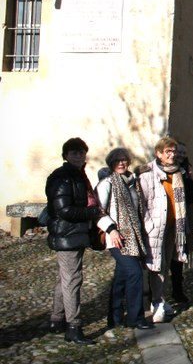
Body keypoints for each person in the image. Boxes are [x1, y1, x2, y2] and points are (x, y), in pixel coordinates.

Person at [45, 137, 103, 344]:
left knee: (65, 278)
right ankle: (73, 327)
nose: (78, 155)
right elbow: (65, 210)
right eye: (74, 152)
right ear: (66, 155)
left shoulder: (78, 174)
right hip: (68, 234)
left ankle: (56, 319)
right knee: (73, 279)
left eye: (81, 152)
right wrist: (93, 211)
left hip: (75, 233)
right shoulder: (63, 177)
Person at [136, 136, 193, 323]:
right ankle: (156, 301)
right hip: (154, 227)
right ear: (158, 153)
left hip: (173, 227)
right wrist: (148, 225)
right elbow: (141, 203)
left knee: (166, 264)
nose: (172, 155)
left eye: (173, 151)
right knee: (155, 266)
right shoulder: (147, 173)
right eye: (168, 151)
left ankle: (159, 299)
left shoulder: (177, 172)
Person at [95, 148, 152, 330]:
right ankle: (136, 318)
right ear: (111, 163)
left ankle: (114, 317)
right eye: (117, 160)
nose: (121, 163)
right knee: (135, 273)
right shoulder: (107, 184)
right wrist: (111, 229)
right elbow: (98, 211)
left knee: (121, 277)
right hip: (116, 238)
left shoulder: (132, 182)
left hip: (132, 238)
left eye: (124, 160)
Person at [170, 141, 193, 303]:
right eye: (178, 152)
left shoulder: (187, 171)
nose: (180, 155)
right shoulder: (167, 171)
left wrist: (192, 180)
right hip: (169, 218)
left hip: (184, 218)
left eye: (183, 153)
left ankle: (177, 289)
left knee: (179, 255)